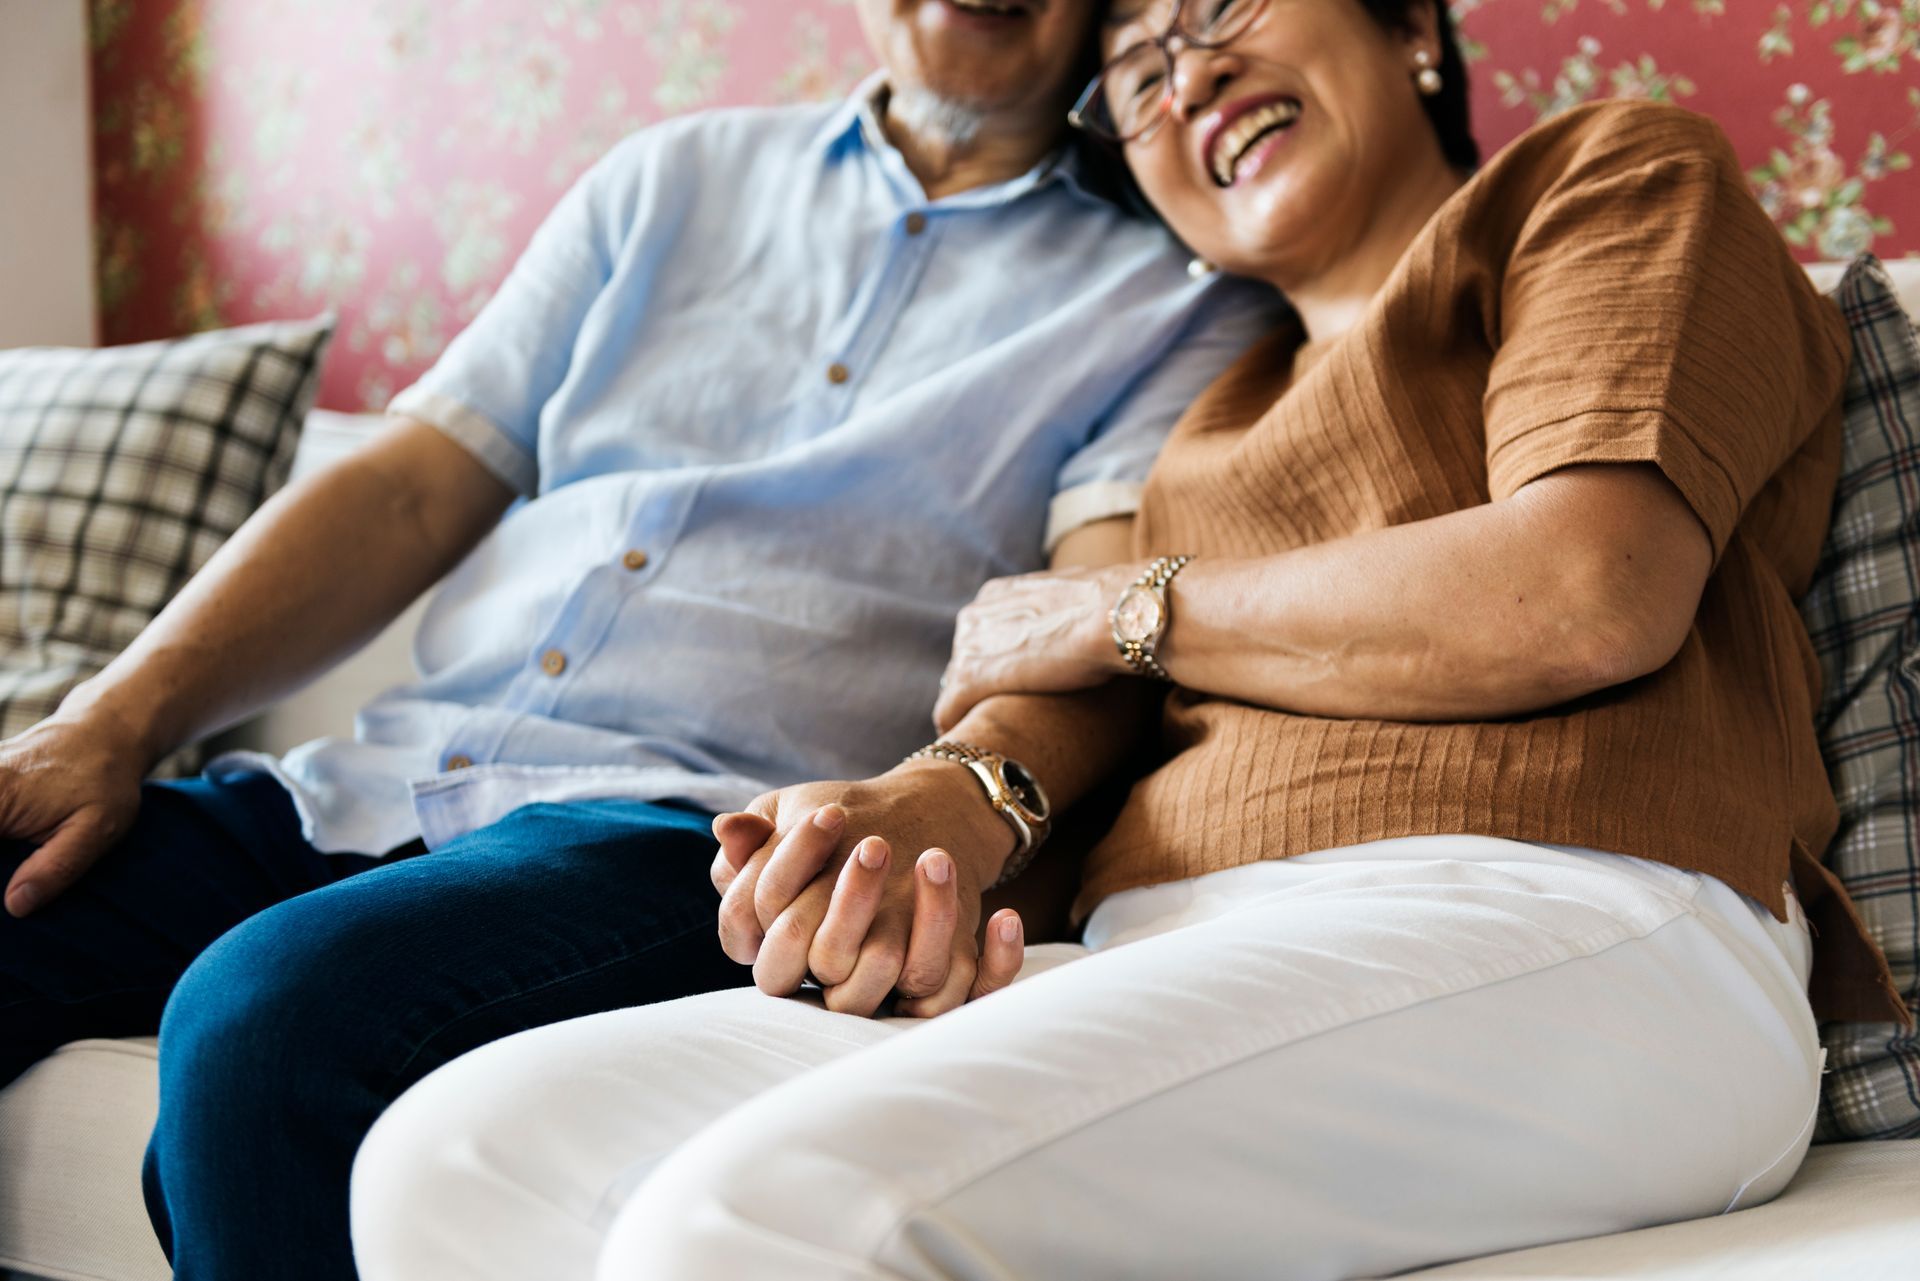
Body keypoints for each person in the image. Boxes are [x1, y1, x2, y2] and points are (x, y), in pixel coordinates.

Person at [349, 0, 1911, 1278]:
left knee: (761, 1221)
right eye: (1138, 71)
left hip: (1581, 911)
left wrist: (1122, 612)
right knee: (460, 1155)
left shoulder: (1598, 182)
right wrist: (920, 814)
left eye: (1224, 5)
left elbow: (1585, 588)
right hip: (1163, 948)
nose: (1191, 73)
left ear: (1413, 30)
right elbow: (1062, 710)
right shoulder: (1200, 428)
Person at [0, 1, 1278, 1277]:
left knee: (263, 1023)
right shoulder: (670, 175)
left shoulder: (1176, 294)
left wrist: (955, 799)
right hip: (372, 782)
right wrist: (110, 723)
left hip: (683, 835)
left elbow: (1091, 631)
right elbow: (409, 481)